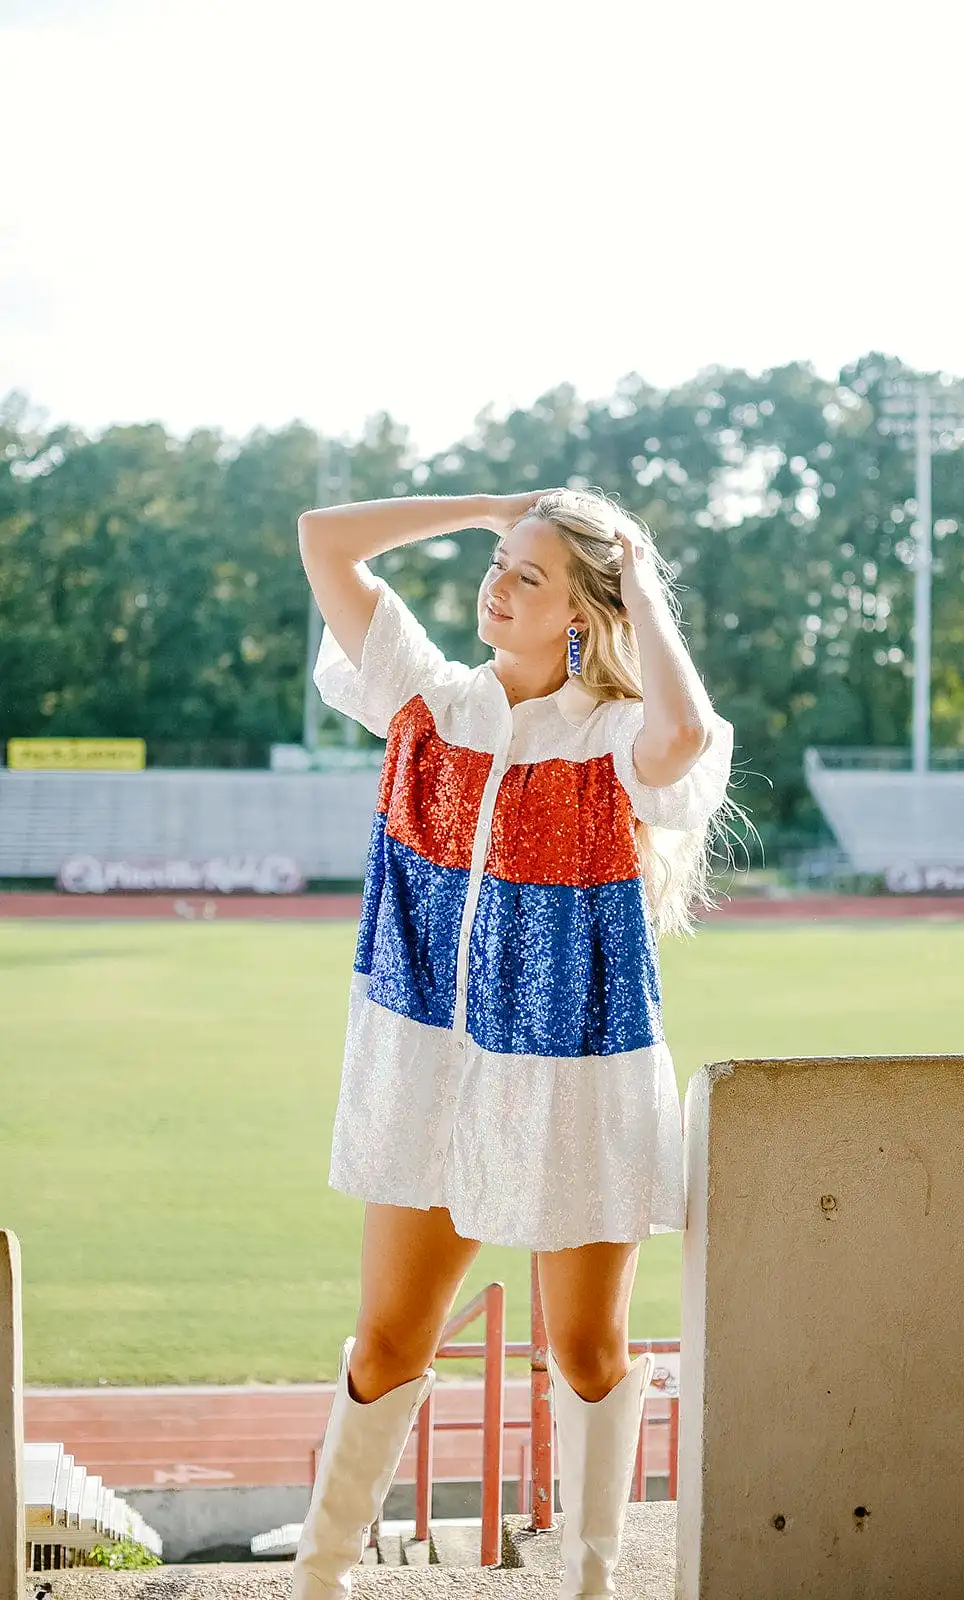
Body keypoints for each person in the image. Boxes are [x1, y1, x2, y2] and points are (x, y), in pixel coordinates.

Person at [292, 487, 736, 1599]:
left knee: (586, 1352)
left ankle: (589, 1584)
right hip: (425, 1076)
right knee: (388, 1339)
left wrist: (637, 577)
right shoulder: (426, 700)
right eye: (497, 563)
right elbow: (323, 539)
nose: (496, 583)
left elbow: (680, 734)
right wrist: (495, 506)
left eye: (528, 576)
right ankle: (318, 1574)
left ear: (583, 610)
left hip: (574, 1078)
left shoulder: (614, 740)